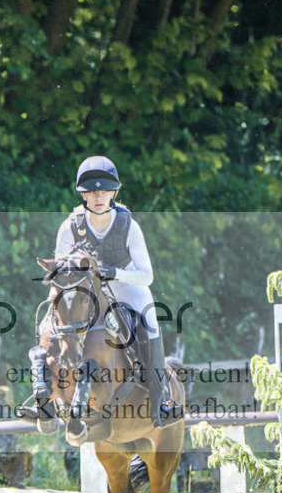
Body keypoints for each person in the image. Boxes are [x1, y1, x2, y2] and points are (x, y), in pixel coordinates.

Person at [32, 155, 182, 427]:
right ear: (83, 196)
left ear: (114, 193)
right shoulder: (69, 227)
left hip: (126, 285)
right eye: (91, 192)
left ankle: (161, 400)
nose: (98, 197)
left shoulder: (128, 226)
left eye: (104, 191)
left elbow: (147, 275)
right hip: (84, 291)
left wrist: (115, 273)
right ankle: (40, 396)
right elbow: (61, 272)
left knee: (150, 323)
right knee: (49, 320)